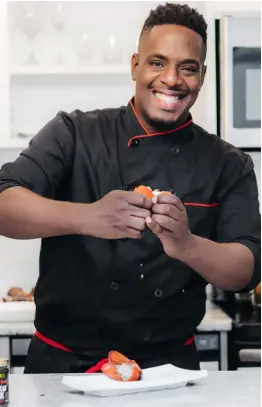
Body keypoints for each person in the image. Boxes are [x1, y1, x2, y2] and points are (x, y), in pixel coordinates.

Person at [0, 3, 260, 374]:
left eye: (188, 68)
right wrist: (87, 217)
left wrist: (187, 245)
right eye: (157, 62)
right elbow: (4, 203)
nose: (172, 79)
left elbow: (246, 270)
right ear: (135, 65)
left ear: (202, 76)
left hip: (168, 371)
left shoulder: (228, 163)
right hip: (61, 369)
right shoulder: (73, 133)